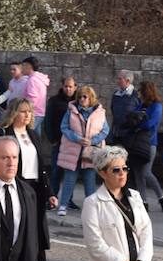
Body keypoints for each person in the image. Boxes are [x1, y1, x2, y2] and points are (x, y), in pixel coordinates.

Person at [0, 100, 59, 261]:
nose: (27, 115)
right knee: (13, 234)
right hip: (13, 187)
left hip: (34, 189)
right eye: (23, 111)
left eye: (30, 111)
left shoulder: (33, 135)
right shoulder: (2, 133)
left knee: (36, 236)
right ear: (13, 113)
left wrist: (50, 193)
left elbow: (42, 166)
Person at [56, 85, 109, 217]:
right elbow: (64, 127)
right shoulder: (71, 110)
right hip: (73, 149)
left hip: (91, 151)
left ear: (91, 98)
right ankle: (63, 205)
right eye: (79, 96)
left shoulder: (100, 112)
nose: (81, 99)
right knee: (69, 179)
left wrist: (92, 141)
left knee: (89, 180)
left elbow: (105, 130)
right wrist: (77, 138)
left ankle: (91, 209)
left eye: (84, 96)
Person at [125, 80, 163, 214]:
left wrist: (137, 123)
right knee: (138, 173)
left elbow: (150, 124)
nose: (139, 94)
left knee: (146, 172)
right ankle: (143, 201)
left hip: (149, 143)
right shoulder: (141, 105)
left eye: (140, 91)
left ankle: (162, 197)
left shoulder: (156, 106)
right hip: (137, 142)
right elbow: (131, 117)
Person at [44, 76, 77, 193]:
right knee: (56, 171)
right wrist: (52, 139)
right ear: (62, 87)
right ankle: (53, 196)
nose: (68, 89)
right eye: (66, 86)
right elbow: (48, 120)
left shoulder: (78, 101)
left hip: (73, 143)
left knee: (70, 173)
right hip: (58, 141)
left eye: (70, 87)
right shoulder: (54, 101)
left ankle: (68, 199)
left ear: (75, 87)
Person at [109, 70, 137, 148]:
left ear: (127, 81)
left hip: (129, 134)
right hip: (116, 133)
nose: (117, 81)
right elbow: (113, 109)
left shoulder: (135, 95)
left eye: (120, 79)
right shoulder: (115, 94)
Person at [20, 56, 50, 125]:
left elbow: (32, 99)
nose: (22, 68)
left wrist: (25, 110)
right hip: (39, 113)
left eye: (24, 65)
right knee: (36, 135)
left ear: (29, 66)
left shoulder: (32, 80)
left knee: (30, 134)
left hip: (33, 114)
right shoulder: (39, 78)